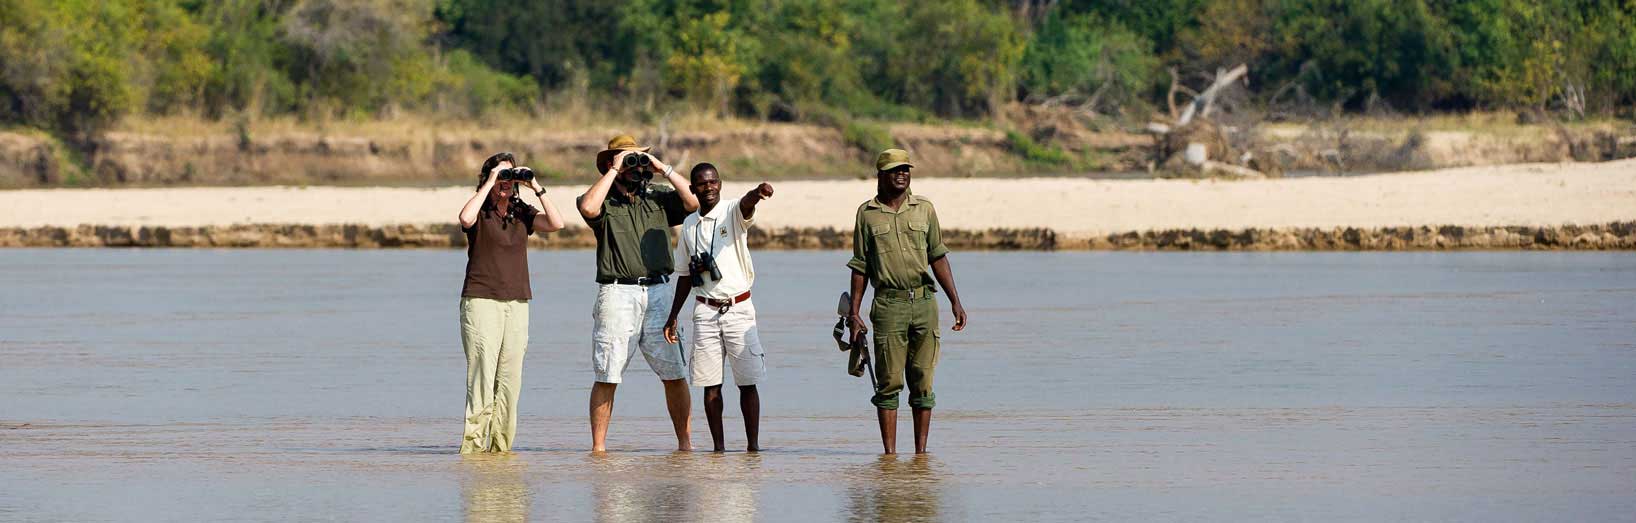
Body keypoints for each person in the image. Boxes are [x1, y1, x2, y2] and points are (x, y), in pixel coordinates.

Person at [576, 135, 701, 452]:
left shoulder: (657, 197)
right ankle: (599, 449)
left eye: (639, 158)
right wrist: (613, 170)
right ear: (610, 163)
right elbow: (587, 207)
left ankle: (685, 446)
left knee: (674, 371)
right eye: (627, 159)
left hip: (659, 292)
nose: (636, 165)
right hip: (617, 294)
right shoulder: (604, 200)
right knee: (608, 372)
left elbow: (692, 202)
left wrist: (663, 167)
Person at [845, 148, 968, 455]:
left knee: (923, 380)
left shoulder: (924, 209)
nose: (902, 174)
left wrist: (956, 301)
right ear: (880, 176)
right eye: (895, 170)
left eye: (906, 169)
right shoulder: (867, 214)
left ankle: (921, 457)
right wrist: (855, 314)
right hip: (887, 306)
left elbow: (937, 255)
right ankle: (889, 458)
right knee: (888, 383)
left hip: (925, 304)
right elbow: (860, 265)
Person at [455, 152, 567, 453]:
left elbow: (557, 223)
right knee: (482, 379)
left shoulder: (521, 210)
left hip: (517, 303)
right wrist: (492, 180)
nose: (506, 183)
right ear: (488, 178)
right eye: (501, 177)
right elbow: (465, 218)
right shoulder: (480, 209)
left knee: (509, 382)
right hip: (481, 300)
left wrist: (536, 186)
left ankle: (500, 452)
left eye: (510, 177)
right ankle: (473, 451)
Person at [662, 163, 774, 452]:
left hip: (738, 308)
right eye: (701, 183)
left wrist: (758, 193)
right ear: (693, 188)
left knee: (747, 383)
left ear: (720, 184)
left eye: (713, 182)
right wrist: (673, 315)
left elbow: (747, 205)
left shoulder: (732, 211)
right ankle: (719, 449)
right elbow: (685, 275)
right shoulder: (689, 225)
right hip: (705, 312)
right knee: (710, 385)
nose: (708, 187)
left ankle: (753, 448)